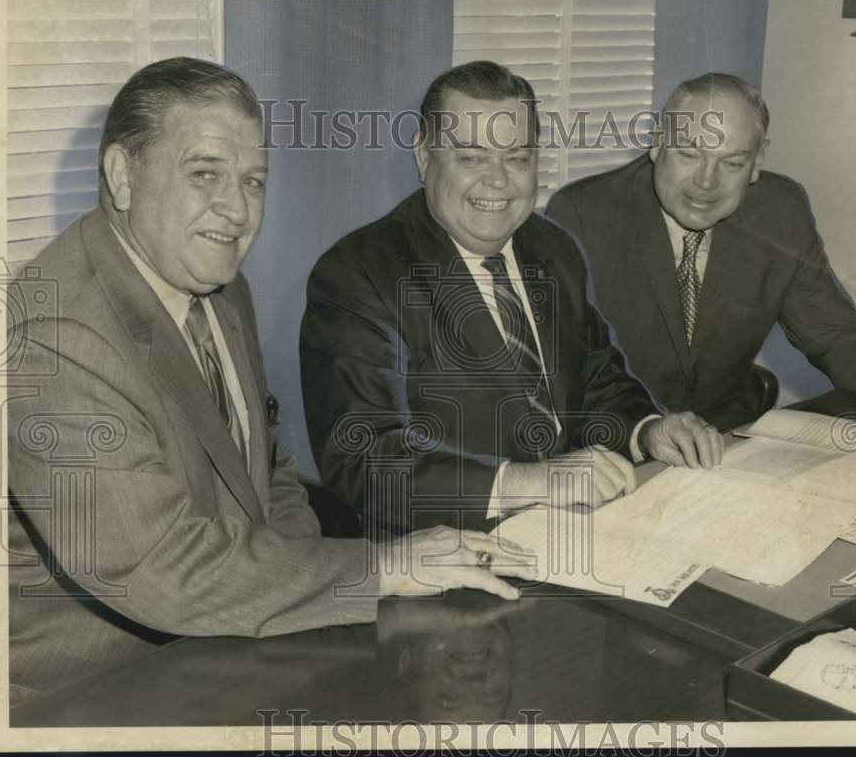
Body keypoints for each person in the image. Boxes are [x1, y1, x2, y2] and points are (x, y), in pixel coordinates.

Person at [6, 57, 533, 704]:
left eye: (254, 181)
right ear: (122, 174)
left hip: (224, 640)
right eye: (205, 174)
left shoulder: (218, 286)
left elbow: (266, 464)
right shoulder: (52, 332)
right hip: (89, 689)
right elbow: (155, 569)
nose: (235, 210)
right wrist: (379, 568)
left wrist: (298, 599)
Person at [300, 60, 722, 537]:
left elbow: (595, 379)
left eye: (517, 157)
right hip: (439, 550)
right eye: (471, 158)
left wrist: (646, 431)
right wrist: (528, 482)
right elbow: (363, 458)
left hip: (577, 530)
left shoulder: (552, 247)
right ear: (423, 157)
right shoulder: (359, 273)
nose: (498, 180)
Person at [547, 73, 856, 432]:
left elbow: (832, 328)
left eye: (732, 162)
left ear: (757, 162)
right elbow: (561, 374)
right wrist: (643, 430)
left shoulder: (779, 209)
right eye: (689, 155)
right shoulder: (584, 215)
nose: (706, 182)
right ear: (657, 144)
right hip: (623, 438)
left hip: (725, 431)